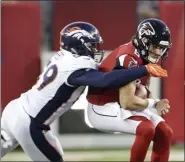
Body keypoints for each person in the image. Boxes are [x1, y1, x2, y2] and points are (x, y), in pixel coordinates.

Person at [0, 21, 166, 162]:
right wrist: (143, 69)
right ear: (80, 45)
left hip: (15, 109)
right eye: (92, 46)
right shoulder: (77, 65)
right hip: (30, 123)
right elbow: (105, 80)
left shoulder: (62, 57)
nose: (95, 50)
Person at [86, 18, 173, 162]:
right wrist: (154, 103)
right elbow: (127, 101)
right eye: (155, 46)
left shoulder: (145, 55)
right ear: (144, 42)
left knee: (165, 133)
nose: (158, 52)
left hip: (119, 102)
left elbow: (142, 87)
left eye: (161, 48)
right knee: (146, 129)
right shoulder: (128, 57)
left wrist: (147, 96)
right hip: (102, 107)